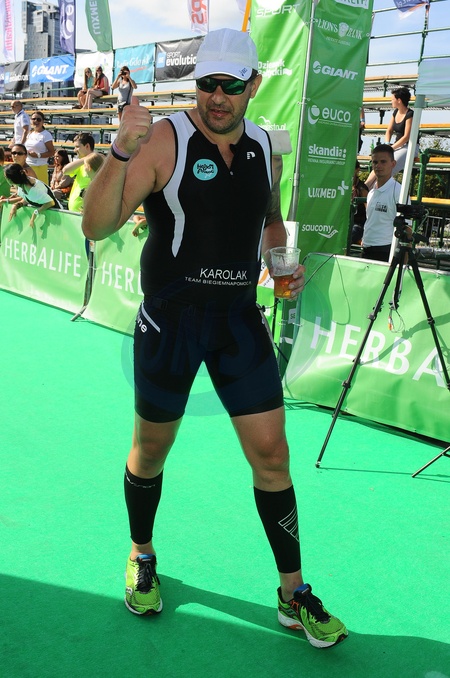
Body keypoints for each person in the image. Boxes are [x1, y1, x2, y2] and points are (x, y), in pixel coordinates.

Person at [82, 28, 347, 649]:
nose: (217, 97)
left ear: (254, 84)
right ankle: (142, 553)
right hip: (170, 323)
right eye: (207, 84)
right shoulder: (163, 139)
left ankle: (293, 593)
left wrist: (280, 264)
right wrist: (119, 152)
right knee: (151, 451)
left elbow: (270, 220)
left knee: (273, 456)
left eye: (230, 85)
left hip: (237, 322)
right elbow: (96, 226)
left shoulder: (265, 146)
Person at [365, 87, 418, 190]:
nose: (391, 101)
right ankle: (366, 187)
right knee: (380, 162)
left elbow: (406, 137)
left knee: (388, 165)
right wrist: (387, 143)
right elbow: (389, 131)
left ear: (399, 100)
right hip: (397, 146)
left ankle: (368, 189)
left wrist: (390, 148)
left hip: (409, 147)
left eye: (392, 99)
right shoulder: (395, 112)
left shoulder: (410, 114)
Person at [361, 144, 403, 262]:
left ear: (393, 164)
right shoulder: (371, 192)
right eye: (375, 162)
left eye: (383, 162)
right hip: (366, 248)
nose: (378, 166)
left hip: (385, 250)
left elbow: (407, 229)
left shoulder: (399, 191)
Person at [3, 163, 59, 228]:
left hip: (57, 216)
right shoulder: (21, 184)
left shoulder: (31, 189)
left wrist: (36, 212)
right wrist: (16, 205)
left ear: (11, 179)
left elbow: (50, 202)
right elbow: (29, 198)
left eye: (6, 177)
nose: (5, 179)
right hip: (47, 217)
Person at [63, 133, 95, 212]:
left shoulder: (97, 163)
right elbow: (65, 171)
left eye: (77, 147)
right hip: (75, 212)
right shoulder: (82, 162)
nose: (75, 150)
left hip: (86, 212)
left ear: (87, 146)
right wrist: (87, 158)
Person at [24, 111, 55, 183]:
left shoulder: (46, 135)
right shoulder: (30, 133)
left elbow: (51, 152)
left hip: (40, 167)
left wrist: (38, 155)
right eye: (34, 119)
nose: (36, 121)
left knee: (40, 188)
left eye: (38, 119)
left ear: (43, 121)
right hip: (28, 166)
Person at [351, 161, 368, 245]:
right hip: (344, 223)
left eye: (351, 168)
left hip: (358, 225)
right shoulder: (342, 185)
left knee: (350, 234)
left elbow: (369, 211)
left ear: (357, 169)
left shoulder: (362, 188)